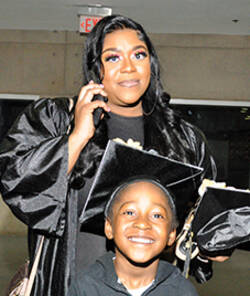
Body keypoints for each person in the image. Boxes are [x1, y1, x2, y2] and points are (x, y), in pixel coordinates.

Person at [0, 15, 218, 295]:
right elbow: (16, 182)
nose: (129, 67)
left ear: (149, 63)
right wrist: (77, 137)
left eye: (138, 55)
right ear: (97, 68)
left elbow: (197, 222)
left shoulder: (182, 138)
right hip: (70, 284)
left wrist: (213, 243)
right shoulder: (57, 118)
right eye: (113, 58)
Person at [69, 178, 198, 296]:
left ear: (171, 234)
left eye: (157, 215)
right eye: (130, 212)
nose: (142, 224)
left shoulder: (182, 291)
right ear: (109, 227)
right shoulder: (84, 287)